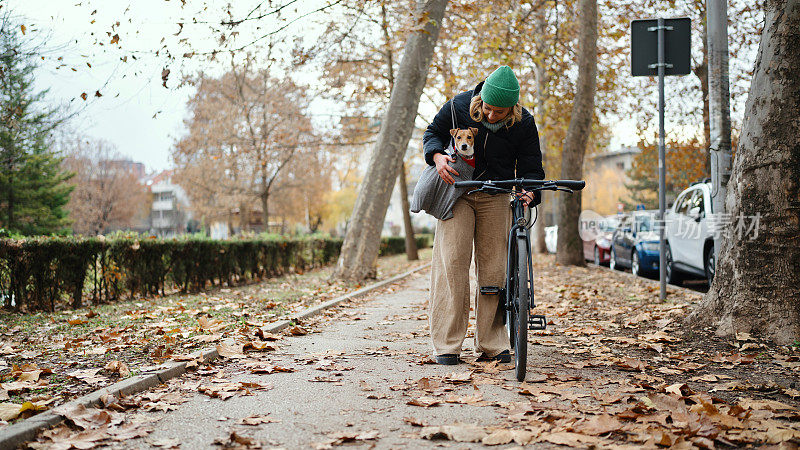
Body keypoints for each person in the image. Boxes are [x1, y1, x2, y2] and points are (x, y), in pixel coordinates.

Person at [422, 65, 545, 365]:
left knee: (493, 270)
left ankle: (491, 342)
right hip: (458, 192)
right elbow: (432, 135)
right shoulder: (457, 107)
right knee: (452, 264)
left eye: (500, 112)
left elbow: (531, 168)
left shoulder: (524, 122)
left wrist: (529, 191)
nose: (492, 116)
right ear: (480, 100)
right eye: (488, 109)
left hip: (497, 195)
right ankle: (447, 344)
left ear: (513, 109)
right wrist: (437, 157)